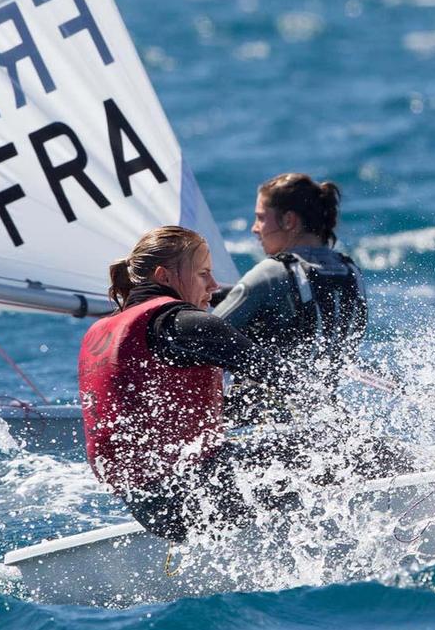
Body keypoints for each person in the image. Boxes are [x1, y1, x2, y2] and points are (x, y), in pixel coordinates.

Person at [79, 226, 301, 542]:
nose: (213, 286)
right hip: (198, 500)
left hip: (151, 508)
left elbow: (175, 415)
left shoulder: (104, 332)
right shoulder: (181, 323)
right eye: (203, 274)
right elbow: (281, 376)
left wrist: (254, 406)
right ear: (164, 276)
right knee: (333, 446)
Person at [213, 173, 367, 390]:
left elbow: (203, 335)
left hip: (263, 414)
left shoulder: (272, 272)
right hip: (325, 409)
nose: (254, 228)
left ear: (289, 221)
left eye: (261, 218)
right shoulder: (351, 272)